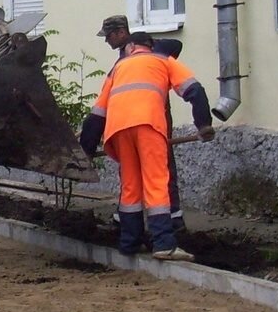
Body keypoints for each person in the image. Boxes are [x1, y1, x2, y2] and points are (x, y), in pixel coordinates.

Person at [80, 30, 214, 260]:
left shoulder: (117, 68)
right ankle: (164, 243)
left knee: (131, 186)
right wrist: (203, 125)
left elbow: (98, 113)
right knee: (156, 181)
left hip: (118, 130)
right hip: (148, 126)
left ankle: (129, 243)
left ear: (131, 47)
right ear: (149, 47)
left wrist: (86, 150)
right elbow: (195, 91)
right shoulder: (163, 60)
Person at [96, 15, 187, 229]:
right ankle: (125, 218)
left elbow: (176, 44)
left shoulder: (147, 50)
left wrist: (153, 48)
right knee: (130, 174)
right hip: (131, 121)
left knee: (162, 170)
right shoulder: (122, 59)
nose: (106, 41)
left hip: (155, 119)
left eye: (108, 36)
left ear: (120, 33)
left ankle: (174, 219)